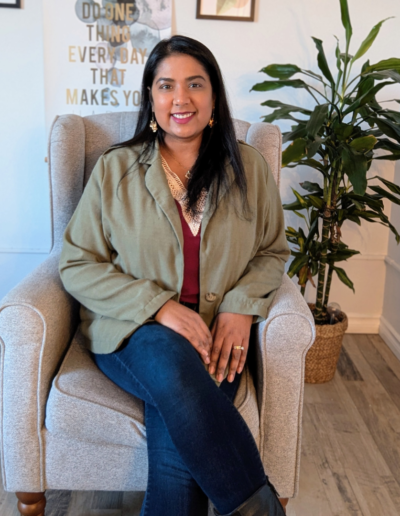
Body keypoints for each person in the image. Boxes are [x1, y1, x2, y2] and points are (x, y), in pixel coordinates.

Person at [59, 35, 290, 516]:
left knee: (175, 460)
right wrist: (158, 307)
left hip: (215, 338)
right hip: (131, 331)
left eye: (195, 85)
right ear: (150, 98)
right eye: (166, 86)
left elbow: (271, 251)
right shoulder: (115, 169)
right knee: (170, 359)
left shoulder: (247, 167)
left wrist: (239, 307)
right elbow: (77, 263)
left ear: (214, 98)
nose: (180, 99)